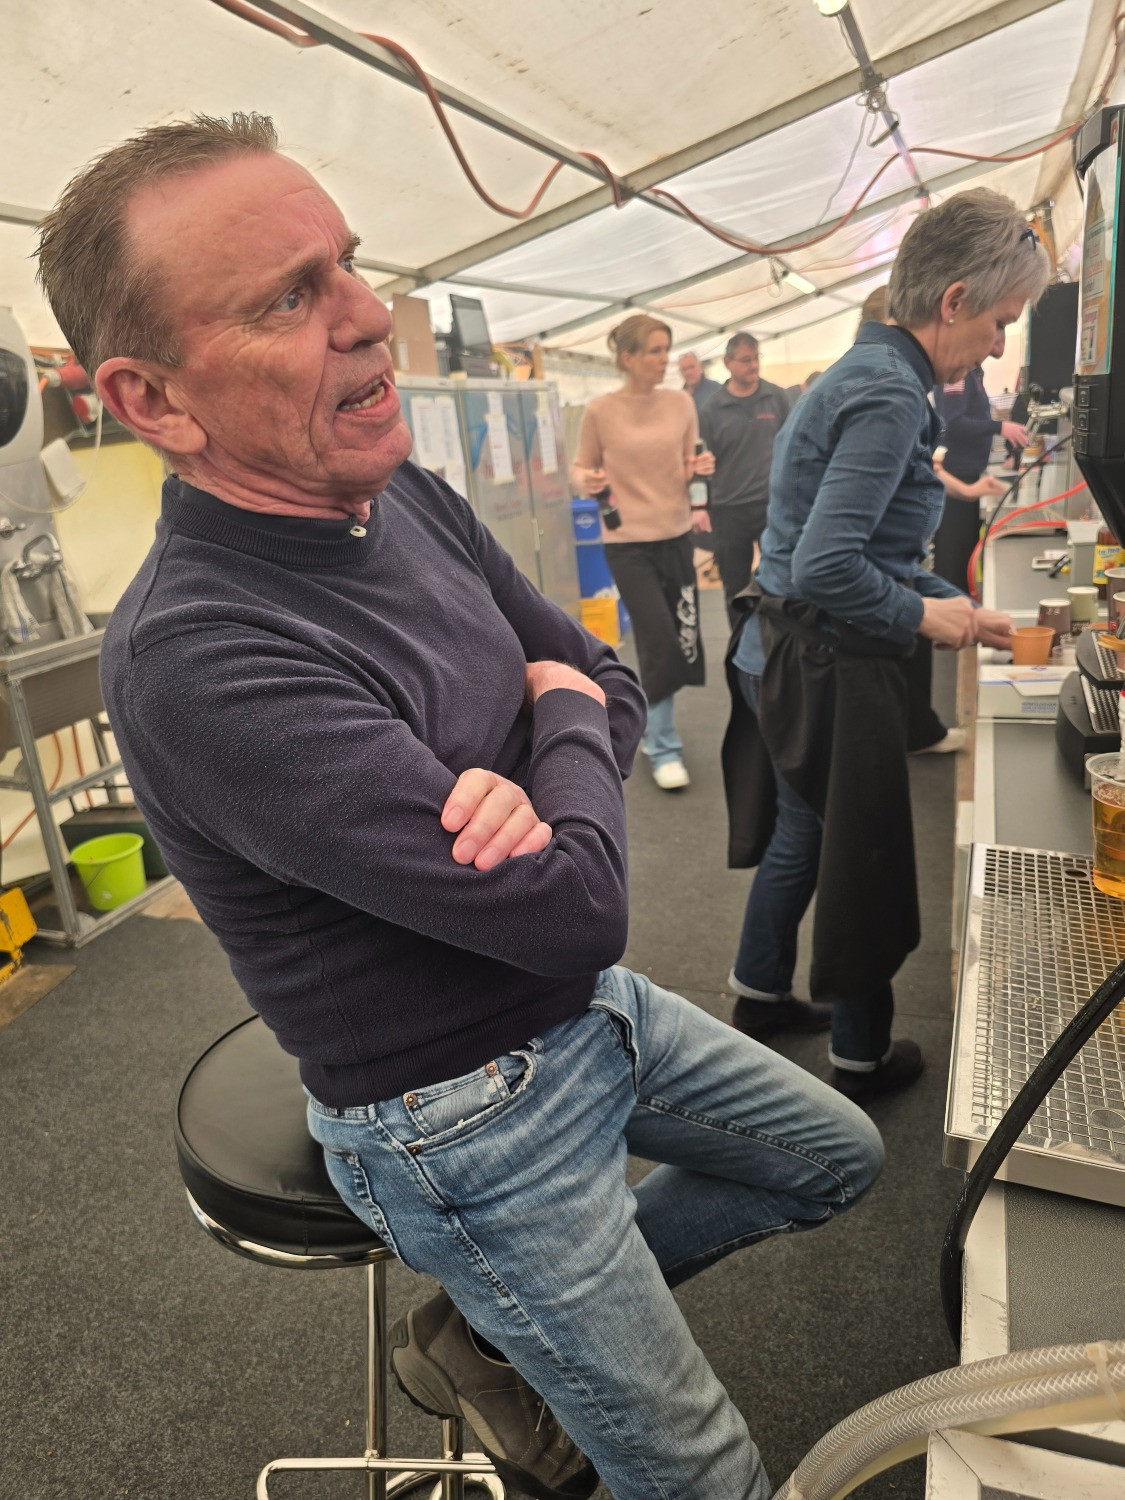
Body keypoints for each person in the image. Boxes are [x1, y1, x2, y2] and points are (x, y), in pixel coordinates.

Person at [37, 113, 885, 1500]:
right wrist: (557, 715)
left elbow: (605, 675)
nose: (369, 316)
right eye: (289, 299)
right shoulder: (199, 655)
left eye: (347, 265)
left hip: (588, 1011)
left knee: (834, 1157)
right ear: (153, 401)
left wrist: (555, 725)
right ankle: (533, 1316)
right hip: (455, 1114)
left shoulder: (407, 498)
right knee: (713, 1475)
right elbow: (576, 900)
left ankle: (492, 1332)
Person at [722, 189, 1047, 1101]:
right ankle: (860, 1058)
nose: (996, 345)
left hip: (778, 649)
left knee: (804, 830)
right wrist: (923, 617)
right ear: (953, 300)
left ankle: (756, 993)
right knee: (858, 857)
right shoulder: (890, 391)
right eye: (997, 321)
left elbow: (855, 550)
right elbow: (828, 566)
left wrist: (952, 603)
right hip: (823, 664)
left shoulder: (866, 370)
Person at [571, 315, 713, 791]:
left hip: (675, 536)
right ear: (628, 357)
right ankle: (664, 744)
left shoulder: (681, 404)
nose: (664, 359)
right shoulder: (600, 411)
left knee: (679, 640)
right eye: (654, 350)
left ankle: (652, 728)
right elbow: (579, 468)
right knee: (659, 641)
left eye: (666, 349)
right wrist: (588, 479)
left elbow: (689, 464)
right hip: (627, 543)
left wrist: (700, 465)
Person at [697, 331, 791, 628]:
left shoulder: (776, 397)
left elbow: (792, 447)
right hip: (729, 511)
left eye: (756, 358)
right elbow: (701, 464)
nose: (753, 365)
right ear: (728, 362)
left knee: (781, 580)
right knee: (735, 588)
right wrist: (701, 507)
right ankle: (740, 648)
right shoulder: (712, 409)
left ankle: (780, 642)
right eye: (746, 360)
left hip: (771, 507)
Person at [932, 348, 1029, 592]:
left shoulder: (972, 372)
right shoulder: (957, 372)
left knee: (965, 556)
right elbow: (953, 423)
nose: (999, 345)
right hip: (956, 476)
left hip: (967, 474)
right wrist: (999, 427)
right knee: (954, 561)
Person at [677, 349, 722, 413]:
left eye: (691, 367)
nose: (688, 372)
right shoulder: (680, 397)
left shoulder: (716, 389)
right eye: (684, 369)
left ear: (700, 366)